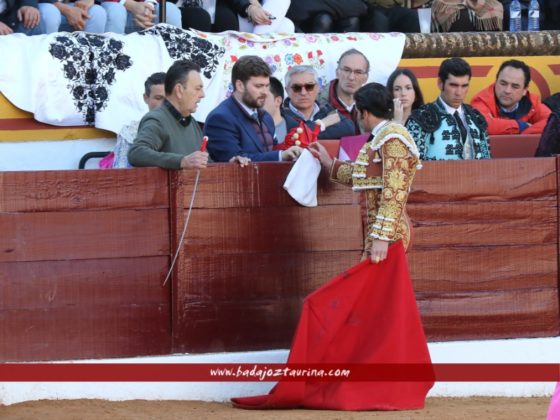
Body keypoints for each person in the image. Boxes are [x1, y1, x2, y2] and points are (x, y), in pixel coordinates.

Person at [230, 82, 433, 411]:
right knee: (378, 316)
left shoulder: (392, 138)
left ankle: (383, 385)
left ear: (364, 113)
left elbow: (395, 190)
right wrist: (329, 164)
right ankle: (381, 382)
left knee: (352, 310)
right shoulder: (386, 137)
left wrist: (381, 238)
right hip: (383, 238)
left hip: (389, 240)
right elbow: (367, 177)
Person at [204, 55, 302, 162]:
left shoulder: (266, 116)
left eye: (266, 86)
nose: (265, 92)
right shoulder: (220, 119)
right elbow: (235, 162)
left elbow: (272, 150)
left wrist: (291, 152)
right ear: (240, 85)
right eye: (259, 86)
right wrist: (280, 156)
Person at [128, 60, 210, 170]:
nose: (202, 95)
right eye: (197, 88)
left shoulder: (191, 122)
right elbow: (136, 153)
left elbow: (203, 163)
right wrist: (181, 161)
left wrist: (231, 163)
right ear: (179, 90)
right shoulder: (157, 119)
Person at [406, 57, 491, 160]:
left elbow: (487, 161)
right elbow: (413, 165)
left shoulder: (476, 117)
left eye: (464, 86)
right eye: (453, 85)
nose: (459, 93)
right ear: (440, 83)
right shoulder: (422, 117)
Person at [471, 59, 551, 135]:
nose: (507, 91)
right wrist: (520, 126)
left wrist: (525, 133)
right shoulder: (481, 100)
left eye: (515, 86)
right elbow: (481, 124)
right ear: (496, 82)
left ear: (524, 90)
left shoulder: (533, 103)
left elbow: (553, 122)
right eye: (503, 83)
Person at [283, 65, 356, 141]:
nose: (303, 92)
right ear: (287, 90)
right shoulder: (280, 116)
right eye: (296, 88)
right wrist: (322, 124)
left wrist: (308, 133)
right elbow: (294, 137)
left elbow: (349, 128)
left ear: (318, 88)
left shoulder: (327, 110)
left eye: (309, 86)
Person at [111, 72, 166, 168]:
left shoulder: (184, 129)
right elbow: (121, 173)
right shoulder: (129, 133)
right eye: (158, 98)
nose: (164, 104)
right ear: (146, 98)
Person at [317, 48, 369, 135]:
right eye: (347, 70)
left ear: (365, 78)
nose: (351, 77)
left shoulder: (373, 106)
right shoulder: (316, 103)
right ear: (337, 72)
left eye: (358, 72)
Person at [102, 0, 181, 34]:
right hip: (114, 7)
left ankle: (176, 65)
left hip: (150, 11)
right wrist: (128, 3)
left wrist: (149, 5)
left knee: (170, 10)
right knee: (116, 11)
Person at [224, 0, 294, 33]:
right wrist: (249, 7)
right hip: (232, 11)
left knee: (288, 26)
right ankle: (256, 54)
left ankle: (256, 53)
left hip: (253, 14)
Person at [431, 0, 503, 32]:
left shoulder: (493, 5)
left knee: (495, 10)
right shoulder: (440, 5)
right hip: (456, 54)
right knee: (462, 16)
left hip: (488, 56)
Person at [39, 0, 106, 34]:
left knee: (96, 12)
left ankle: (89, 57)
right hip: (40, 5)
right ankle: (47, 57)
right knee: (50, 13)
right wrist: (66, 10)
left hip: (70, 4)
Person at [360, 0, 426, 33]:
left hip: (392, 7)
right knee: (379, 20)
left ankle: (410, 56)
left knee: (412, 17)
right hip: (367, 7)